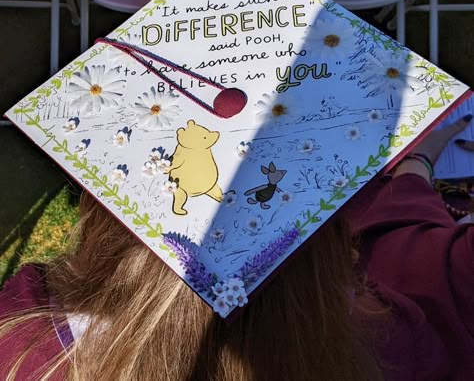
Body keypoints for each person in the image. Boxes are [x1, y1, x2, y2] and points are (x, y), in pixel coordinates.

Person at [0, 115, 472, 380]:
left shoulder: (20, 338)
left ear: (103, 213)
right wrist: (417, 165)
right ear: (329, 246)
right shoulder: (395, 348)